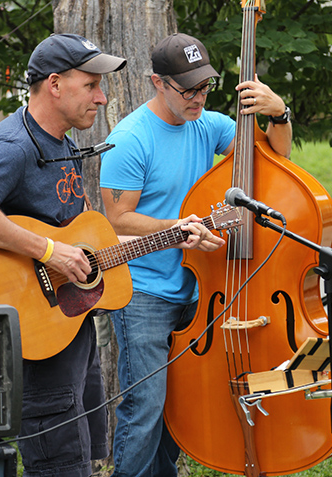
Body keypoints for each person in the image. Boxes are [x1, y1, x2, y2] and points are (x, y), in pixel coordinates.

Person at [98, 32, 293, 477]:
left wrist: (278, 112)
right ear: (157, 83)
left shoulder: (210, 125)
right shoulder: (129, 138)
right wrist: (177, 228)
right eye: (188, 89)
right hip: (143, 290)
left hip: (198, 290)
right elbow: (117, 220)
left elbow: (276, 157)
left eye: (205, 86)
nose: (198, 97)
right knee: (145, 405)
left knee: (179, 407)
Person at [0, 34, 126, 477]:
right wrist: (49, 251)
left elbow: (69, 224)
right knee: (58, 460)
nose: (101, 98)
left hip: (68, 318)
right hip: (35, 328)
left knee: (80, 450)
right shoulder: (14, 145)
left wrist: (170, 236)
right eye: (91, 85)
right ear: (55, 84)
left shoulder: (62, 141)